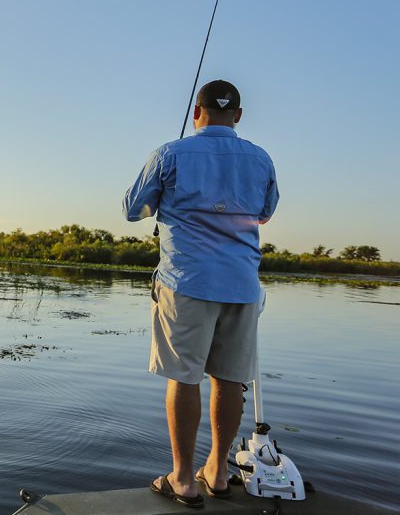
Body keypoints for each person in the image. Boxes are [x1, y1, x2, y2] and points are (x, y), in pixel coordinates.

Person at [122, 80, 279, 508]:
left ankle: (183, 479)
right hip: (242, 286)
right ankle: (218, 472)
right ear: (239, 115)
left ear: (197, 111)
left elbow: (134, 209)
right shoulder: (261, 158)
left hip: (185, 284)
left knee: (184, 377)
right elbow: (265, 213)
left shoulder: (170, 153)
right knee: (230, 380)